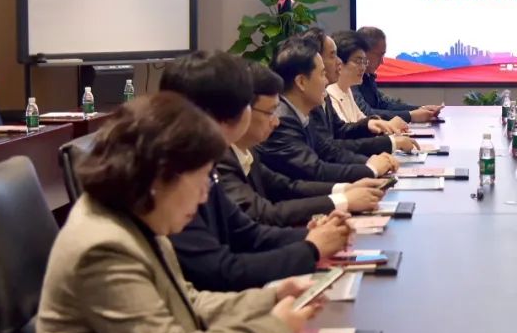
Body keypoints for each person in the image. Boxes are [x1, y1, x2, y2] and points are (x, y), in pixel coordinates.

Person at [26, 94, 318, 333]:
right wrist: (275, 329)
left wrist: (271, 297)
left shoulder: (137, 216)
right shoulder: (102, 247)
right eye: (202, 179)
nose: (205, 195)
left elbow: (188, 302)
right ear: (161, 177)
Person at [160, 50, 351, 291]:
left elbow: (248, 232)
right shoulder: (171, 176)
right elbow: (219, 271)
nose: (275, 120)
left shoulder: (204, 163)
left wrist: (314, 235)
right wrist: (311, 248)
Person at [218, 61, 388, 227]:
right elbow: (264, 214)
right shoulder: (221, 161)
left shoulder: (247, 151)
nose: (275, 121)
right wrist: (343, 201)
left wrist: (345, 190)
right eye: (269, 112)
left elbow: (286, 186)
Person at [255, 37, 399, 183]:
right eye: (322, 74)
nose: (325, 81)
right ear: (301, 82)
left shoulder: (302, 113)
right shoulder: (284, 120)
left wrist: (368, 162)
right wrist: (371, 169)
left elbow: (328, 150)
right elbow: (314, 171)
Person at [301, 27, 418, 156]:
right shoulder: (317, 98)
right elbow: (330, 148)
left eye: (364, 61)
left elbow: (342, 129)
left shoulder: (327, 94)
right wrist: (389, 145)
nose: (338, 61)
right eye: (333, 55)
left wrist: (371, 124)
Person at [353, 26, 442, 123]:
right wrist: (410, 116)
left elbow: (383, 104)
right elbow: (365, 113)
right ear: (363, 52)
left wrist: (421, 109)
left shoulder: (367, 76)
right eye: (379, 55)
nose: (382, 61)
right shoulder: (350, 79)